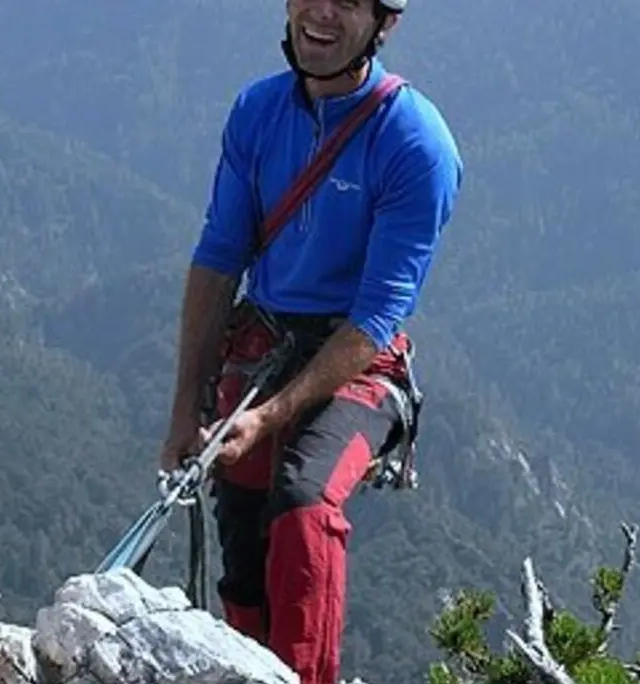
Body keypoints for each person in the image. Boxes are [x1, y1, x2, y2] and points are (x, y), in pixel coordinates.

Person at [158, 0, 463, 681]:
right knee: (242, 532)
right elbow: (218, 258)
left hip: (358, 363)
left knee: (302, 501)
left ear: (384, 22)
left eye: (349, 1)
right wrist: (185, 409)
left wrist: (269, 414)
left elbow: (377, 317)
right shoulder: (258, 111)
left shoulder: (415, 143)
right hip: (262, 343)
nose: (321, 14)